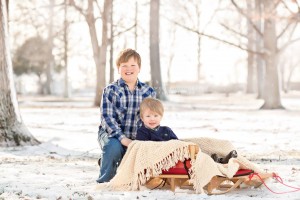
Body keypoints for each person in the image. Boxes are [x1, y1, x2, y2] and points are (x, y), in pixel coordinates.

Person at [96, 48, 156, 183]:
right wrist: (123, 139)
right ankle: (105, 181)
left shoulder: (149, 91)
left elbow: (152, 116)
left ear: (139, 68)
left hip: (137, 135)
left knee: (146, 151)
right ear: (118, 68)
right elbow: (107, 119)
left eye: (133, 65)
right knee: (113, 147)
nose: (129, 69)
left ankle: (119, 164)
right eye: (124, 65)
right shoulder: (111, 90)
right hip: (111, 134)